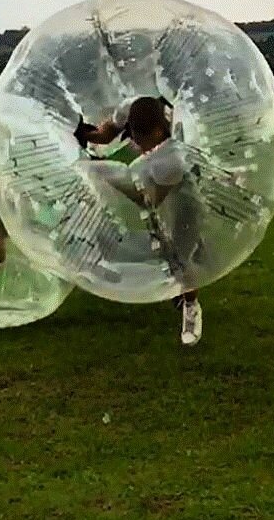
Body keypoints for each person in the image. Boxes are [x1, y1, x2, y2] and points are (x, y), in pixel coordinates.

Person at [82, 96, 203, 346]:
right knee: (165, 246)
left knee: (180, 259)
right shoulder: (132, 109)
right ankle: (181, 286)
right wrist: (82, 133)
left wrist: (108, 174)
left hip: (184, 205)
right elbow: (104, 134)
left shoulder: (171, 160)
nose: (138, 146)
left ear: (159, 131)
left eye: (142, 141)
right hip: (159, 191)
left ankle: (191, 308)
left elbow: (149, 200)